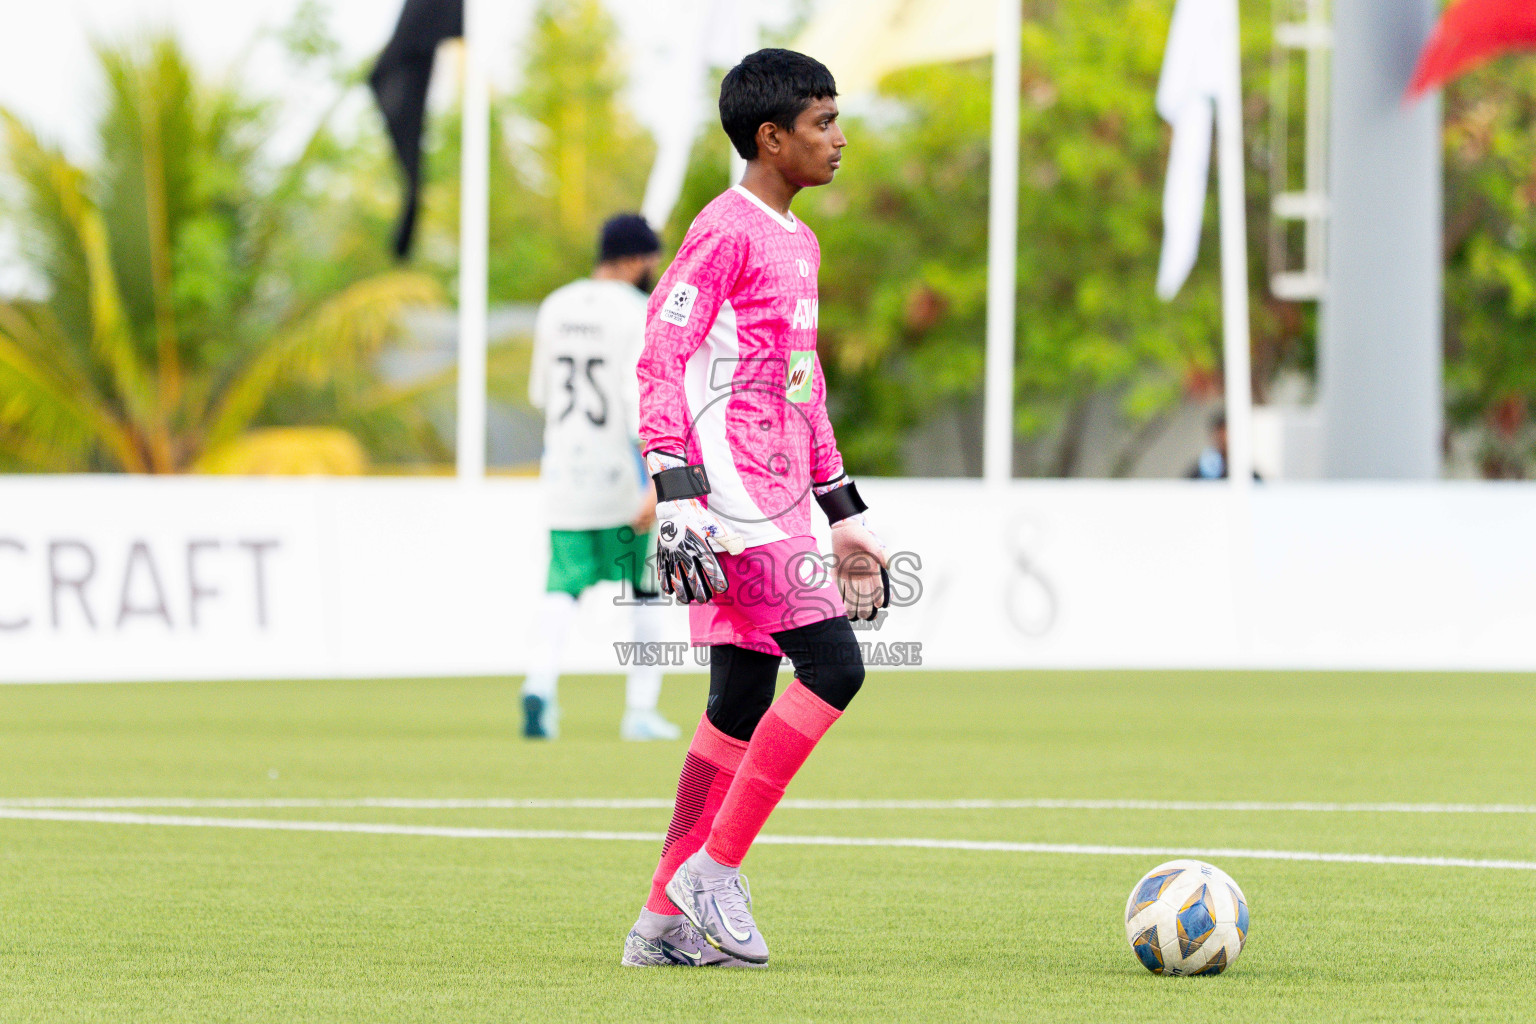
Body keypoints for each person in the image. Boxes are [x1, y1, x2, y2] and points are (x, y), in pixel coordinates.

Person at [620, 49, 888, 969]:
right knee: (836, 666)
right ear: (771, 138)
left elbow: (802, 386)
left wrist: (842, 510)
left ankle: (658, 924)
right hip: (727, 500)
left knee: (738, 703)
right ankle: (714, 868)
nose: (839, 138)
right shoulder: (725, 228)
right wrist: (676, 487)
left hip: (777, 497)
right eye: (823, 123)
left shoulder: (800, 240)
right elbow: (662, 347)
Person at [522, 213, 681, 743]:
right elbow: (644, 401)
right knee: (645, 588)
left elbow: (541, 394)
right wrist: (656, 481)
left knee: (560, 586)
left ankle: (539, 686)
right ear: (637, 259)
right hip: (622, 471)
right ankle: (639, 710)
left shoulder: (556, 305)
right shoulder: (639, 312)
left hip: (565, 469)